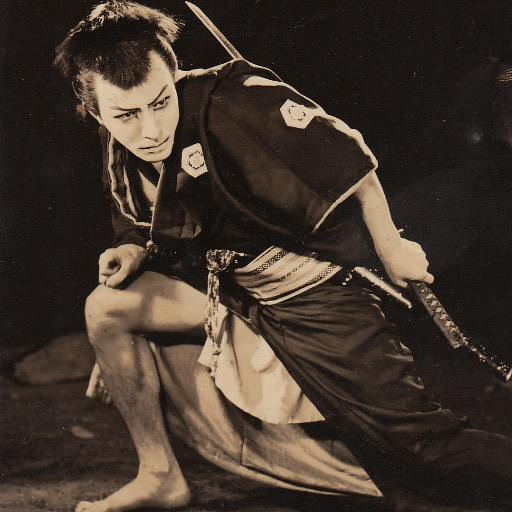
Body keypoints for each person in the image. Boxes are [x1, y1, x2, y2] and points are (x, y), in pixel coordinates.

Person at [54, 2, 512, 511]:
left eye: (161, 102)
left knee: (417, 445)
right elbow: (141, 215)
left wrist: (392, 246)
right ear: (94, 111)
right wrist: (130, 248)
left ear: (174, 76)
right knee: (110, 307)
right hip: (234, 297)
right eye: (127, 115)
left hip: (313, 295)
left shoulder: (233, 98)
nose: (151, 129)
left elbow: (349, 156)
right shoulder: (120, 135)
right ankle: (159, 475)